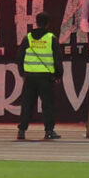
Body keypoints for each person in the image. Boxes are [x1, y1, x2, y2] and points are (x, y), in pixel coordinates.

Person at [15, 11, 60, 141]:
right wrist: (58, 75)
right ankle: (49, 131)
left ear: (36, 22)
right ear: (47, 24)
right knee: (47, 105)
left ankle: (22, 131)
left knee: (27, 104)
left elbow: (20, 57)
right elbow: (57, 59)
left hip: (30, 76)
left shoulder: (28, 37)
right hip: (46, 77)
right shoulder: (51, 38)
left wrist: (22, 73)